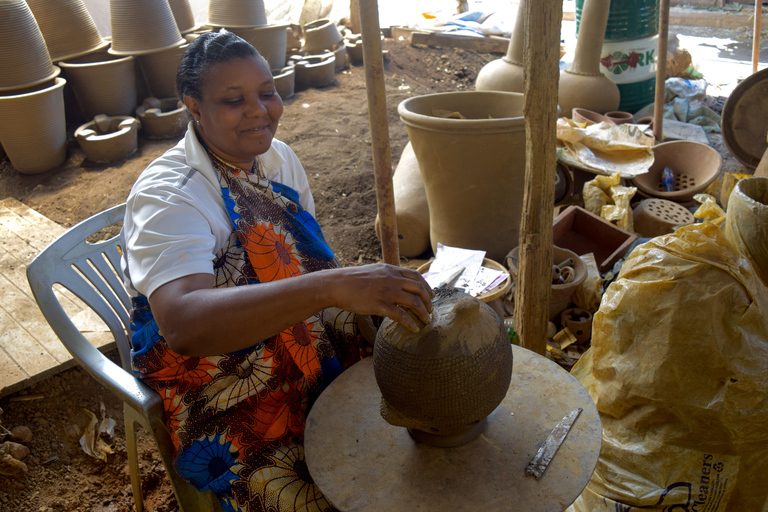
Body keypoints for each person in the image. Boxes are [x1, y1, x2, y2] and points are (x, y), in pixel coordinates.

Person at [121, 30, 433, 512]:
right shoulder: (170, 195)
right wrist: (332, 286)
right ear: (193, 106)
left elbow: (305, 258)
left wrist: (355, 292)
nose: (259, 110)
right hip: (220, 370)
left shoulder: (278, 158)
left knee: (410, 372)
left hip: (296, 321)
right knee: (305, 487)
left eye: (266, 92)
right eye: (233, 99)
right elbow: (184, 323)